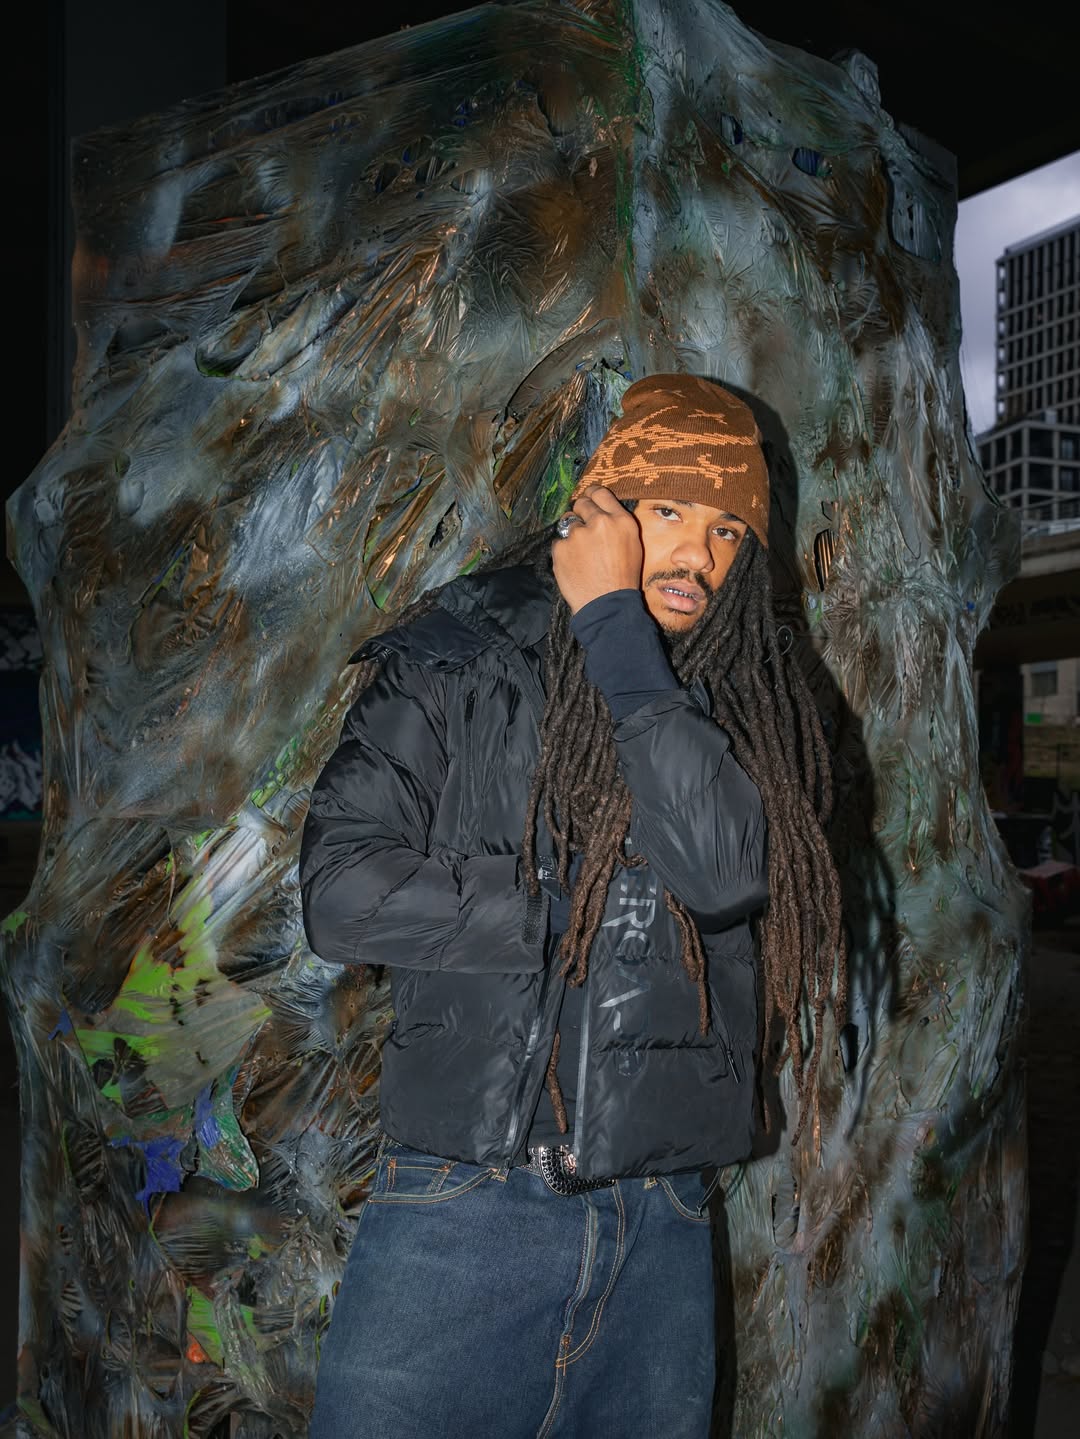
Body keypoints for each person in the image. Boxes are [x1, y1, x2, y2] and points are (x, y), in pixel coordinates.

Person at [299, 374, 845, 1438]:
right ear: (602, 509)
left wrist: (615, 632)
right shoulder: (464, 648)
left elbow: (725, 872)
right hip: (463, 1209)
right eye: (669, 510)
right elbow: (341, 891)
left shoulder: (754, 695)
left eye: (728, 528)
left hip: (663, 1224)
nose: (698, 554)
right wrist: (561, 916)